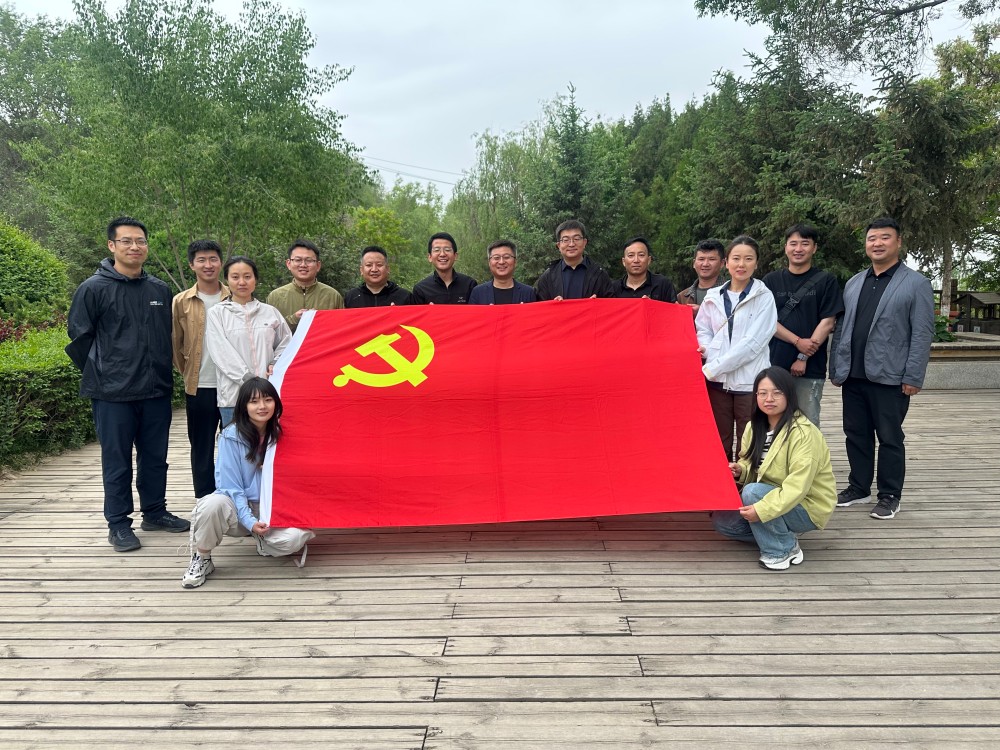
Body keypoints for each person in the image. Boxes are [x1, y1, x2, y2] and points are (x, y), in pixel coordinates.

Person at [66, 216, 190, 553]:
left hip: (156, 390)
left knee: (155, 458)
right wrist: (104, 372)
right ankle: (119, 524)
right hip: (112, 394)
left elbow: (167, 337)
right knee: (117, 461)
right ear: (112, 245)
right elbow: (78, 337)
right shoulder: (93, 288)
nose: (134, 247)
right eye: (126, 241)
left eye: (140, 241)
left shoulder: (159, 289)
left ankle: (155, 512)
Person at [829, 218, 934, 520]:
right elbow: (842, 328)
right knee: (855, 434)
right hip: (854, 375)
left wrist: (913, 375)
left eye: (885, 237)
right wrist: (837, 367)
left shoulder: (916, 284)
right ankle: (858, 487)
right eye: (872, 238)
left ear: (898, 242)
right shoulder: (854, 283)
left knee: (889, 437)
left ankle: (889, 495)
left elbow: (922, 333)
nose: (877, 243)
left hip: (891, 377)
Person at [182, 378, 314, 588]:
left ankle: (263, 540)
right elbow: (230, 487)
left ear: (276, 402)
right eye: (254, 401)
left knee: (296, 538)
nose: (262, 406)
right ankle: (202, 558)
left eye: (268, 400)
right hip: (238, 510)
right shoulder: (230, 436)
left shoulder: (284, 434)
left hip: (271, 510)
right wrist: (249, 520)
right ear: (244, 406)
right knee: (211, 504)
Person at [712, 367, 837, 570]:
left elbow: (797, 487)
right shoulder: (754, 427)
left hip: (806, 505)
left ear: (789, 395)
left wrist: (761, 511)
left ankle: (782, 550)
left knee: (752, 493)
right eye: (762, 393)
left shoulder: (803, 433)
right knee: (723, 522)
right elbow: (750, 462)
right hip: (769, 495)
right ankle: (782, 532)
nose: (769, 399)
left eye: (777, 393)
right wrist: (741, 470)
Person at [696, 235, 777, 460]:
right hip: (717, 383)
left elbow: (752, 344)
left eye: (748, 259)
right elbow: (703, 329)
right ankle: (720, 481)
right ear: (726, 262)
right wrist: (707, 350)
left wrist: (713, 367)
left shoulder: (764, 297)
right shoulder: (713, 296)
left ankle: (746, 481)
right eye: (736, 258)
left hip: (749, 382)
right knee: (718, 440)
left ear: (756, 263)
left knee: (748, 440)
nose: (741, 264)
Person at [762, 224, 844, 426]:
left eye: (805, 244)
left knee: (807, 423)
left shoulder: (826, 281)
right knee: (773, 422)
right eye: (793, 243)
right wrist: (797, 341)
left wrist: (803, 357)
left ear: (814, 248)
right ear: (785, 247)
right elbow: (766, 321)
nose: (798, 249)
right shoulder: (771, 281)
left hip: (811, 367)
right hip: (774, 364)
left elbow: (827, 322)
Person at [172, 239, 230, 498]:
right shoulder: (181, 301)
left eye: (213, 259)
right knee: (201, 446)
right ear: (191, 265)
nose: (208, 265)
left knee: (236, 444)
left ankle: (232, 495)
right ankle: (205, 499)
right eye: (202, 260)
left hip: (233, 386)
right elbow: (176, 344)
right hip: (200, 385)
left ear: (221, 262)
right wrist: (189, 373)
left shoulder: (235, 297)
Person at [206, 256, 292, 426]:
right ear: (227, 280)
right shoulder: (217, 313)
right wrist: (248, 379)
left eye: (247, 276)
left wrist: (275, 362)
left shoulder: (270, 312)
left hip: (268, 397)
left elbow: (286, 343)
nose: (242, 282)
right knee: (235, 440)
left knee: (269, 441)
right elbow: (220, 352)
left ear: (255, 279)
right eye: (235, 277)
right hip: (234, 397)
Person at [266, 239, 344, 331]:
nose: (303, 265)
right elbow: (268, 331)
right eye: (298, 260)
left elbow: (341, 329)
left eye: (309, 260)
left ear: (318, 265)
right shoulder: (275, 297)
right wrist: (294, 319)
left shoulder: (333, 296)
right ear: (289, 264)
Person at [534, 219, 616, 301]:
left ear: (584, 242)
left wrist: (598, 303)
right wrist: (553, 304)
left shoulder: (599, 274)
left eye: (576, 239)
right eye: (566, 240)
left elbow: (611, 304)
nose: (571, 244)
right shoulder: (548, 277)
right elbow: (540, 306)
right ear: (559, 245)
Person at [411, 232, 477, 304]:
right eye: (437, 250)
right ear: (430, 257)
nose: (442, 254)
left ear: (455, 256)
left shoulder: (470, 285)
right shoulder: (421, 289)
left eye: (447, 250)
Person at [469, 240, 537, 304]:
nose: (501, 262)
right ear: (489, 262)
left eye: (506, 257)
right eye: (496, 258)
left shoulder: (529, 293)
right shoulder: (478, 293)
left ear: (515, 262)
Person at [343, 246, 413, 307]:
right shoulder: (351, 297)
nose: (374, 269)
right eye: (369, 265)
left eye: (379, 265)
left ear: (388, 269)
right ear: (361, 270)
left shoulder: (405, 297)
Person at [612, 236, 677, 301]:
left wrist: (653, 305)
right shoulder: (614, 288)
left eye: (641, 255)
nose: (636, 260)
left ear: (649, 260)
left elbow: (673, 307)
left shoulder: (663, 284)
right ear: (623, 261)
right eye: (631, 255)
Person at [677, 239, 726, 313]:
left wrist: (702, 312)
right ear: (694, 263)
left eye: (711, 259)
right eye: (701, 259)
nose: (705, 264)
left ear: (722, 263)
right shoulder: (682, 297)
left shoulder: (731, 293)